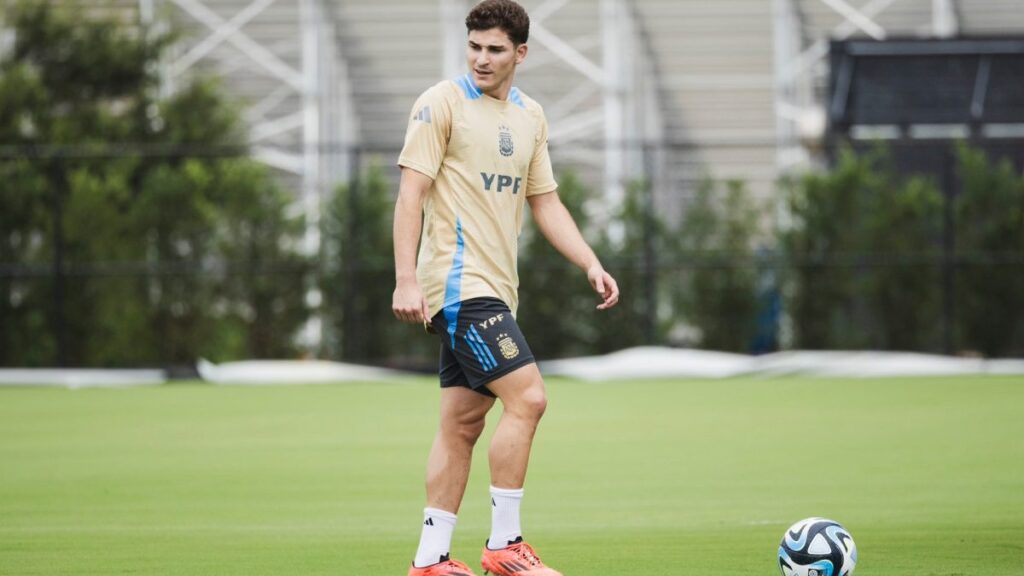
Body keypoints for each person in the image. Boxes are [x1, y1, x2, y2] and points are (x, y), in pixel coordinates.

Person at [392, 1, 619, 574]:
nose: (481, 59)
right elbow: (410, 196)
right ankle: (504, 545)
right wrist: (405, 279)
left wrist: (589, 261)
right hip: (458, 286)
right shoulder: (440, 103)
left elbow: (545, 201)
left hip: (496, 289)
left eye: (495, 49)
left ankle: (430, 560)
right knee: (531, 398)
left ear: (521, 53)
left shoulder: (530, 117)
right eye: (474, 46)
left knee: (462, 424)